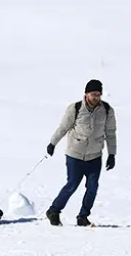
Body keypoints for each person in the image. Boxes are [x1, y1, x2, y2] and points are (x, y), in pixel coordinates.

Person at [45, 79, 117, 226]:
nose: (96, 97)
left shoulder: (107, 110)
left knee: (92, 187)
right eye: (93, 94)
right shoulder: (75, 108)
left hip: (95, 156)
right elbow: (63, 128)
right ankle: (54, 210)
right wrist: (52, 143)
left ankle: (83, 216)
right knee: (72, 184)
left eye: (98, 94)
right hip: (75, 155)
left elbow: (110, 133)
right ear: (86, 94)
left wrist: (112, 154)